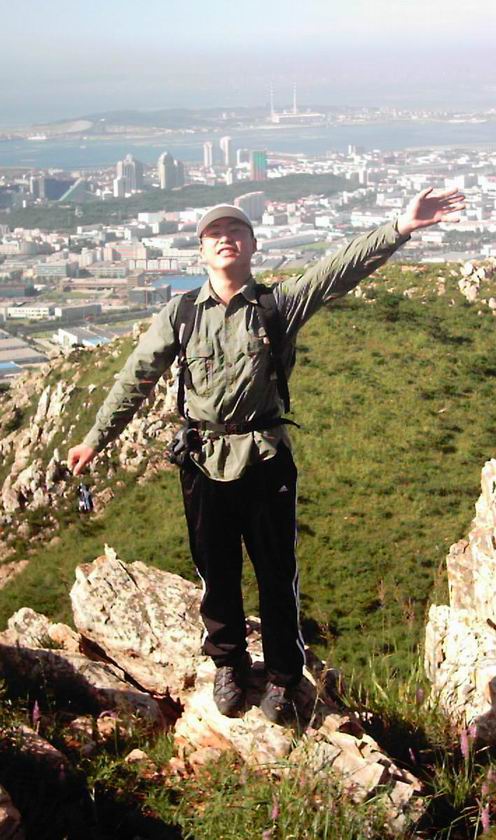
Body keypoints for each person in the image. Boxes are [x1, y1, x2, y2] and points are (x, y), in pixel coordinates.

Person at [68, 187, 465, 725]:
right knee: (216, 572)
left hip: (265, 457)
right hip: (203, 459)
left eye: (235, 231)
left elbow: (337, 269)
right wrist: (96, 438)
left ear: (252, 245)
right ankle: (228, 664)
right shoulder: (180, 314)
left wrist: (400, 227)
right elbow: (135, 377)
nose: (225, 239)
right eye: (214, 234)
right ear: (201, 251)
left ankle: (283, 674)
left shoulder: (278, 305)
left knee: (277, 573)